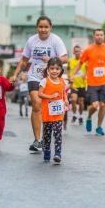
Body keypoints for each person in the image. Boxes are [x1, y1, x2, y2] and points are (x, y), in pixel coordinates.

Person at [10, 16, 67, 152]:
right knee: (36, 103)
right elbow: (24, 61)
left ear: (50, 28)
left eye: (46, 27)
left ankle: (51, 127)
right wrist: (15, 74)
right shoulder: (32, 41)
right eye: (40, 27)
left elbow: (65, 58)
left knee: (49, 104)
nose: (43, 29)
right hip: (35, 76)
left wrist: (52, 59)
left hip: (50, 78)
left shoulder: (56, 40)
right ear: (37, 27)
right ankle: (38, 140)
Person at [71, 29, 105, 136]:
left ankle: (99, 127)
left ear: (104, 36)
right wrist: (73, 74)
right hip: (92, 83)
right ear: (94, 36)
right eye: (97, 35)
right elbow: (80, 63)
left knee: (102, 105)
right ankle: (89, 117)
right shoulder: (88, 50)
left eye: (101, 35)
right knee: (94, 105)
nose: (99, 37)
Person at [38, 58, 68, 164]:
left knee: (58, 132)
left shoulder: (62, 81)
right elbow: (40, 94)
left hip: (58, 113)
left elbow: (63, 92)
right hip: (47, 114)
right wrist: (50, 96)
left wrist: (66, 100)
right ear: (48, 69)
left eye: (57, 69)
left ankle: (58, 153)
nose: (54, 71)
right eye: (52, 68)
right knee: (47, 134)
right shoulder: (45, 81)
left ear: (60, 70)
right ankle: (47, 150)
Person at [68, 45, 86, 125]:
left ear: (81, 52)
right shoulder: (70, 61)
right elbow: (68, 70)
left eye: (79, 51)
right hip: (73, 84)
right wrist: (69, 77)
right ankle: (75, 115)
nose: (77, 53)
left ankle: (81, 116)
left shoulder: (84, 61)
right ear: (74, 52)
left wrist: (85, 75)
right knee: (74, 100)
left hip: (82, 84)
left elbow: (88, 70)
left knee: (81, 102)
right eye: (76, 51)